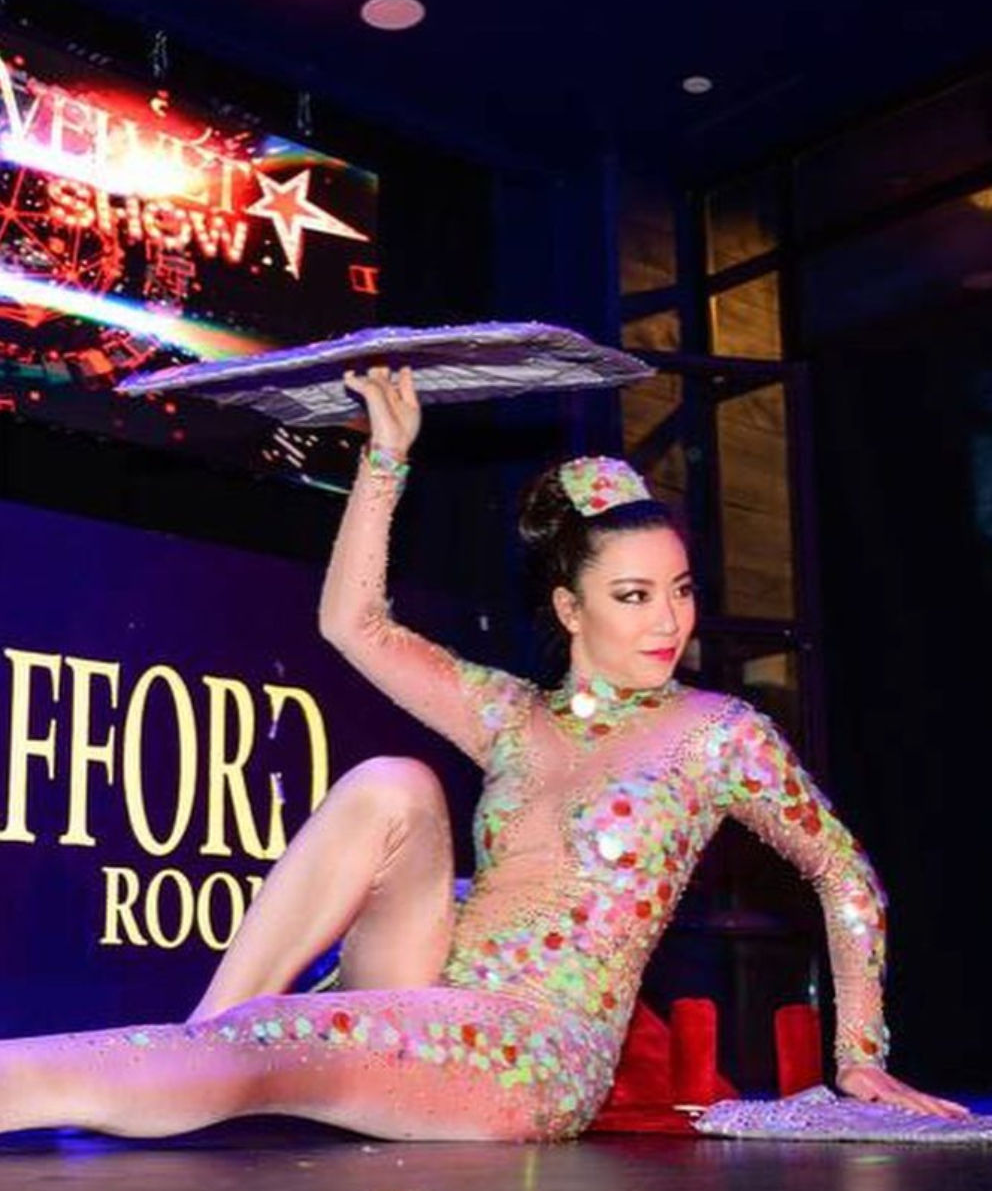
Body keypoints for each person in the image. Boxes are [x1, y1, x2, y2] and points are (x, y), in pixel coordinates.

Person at [0, 367, 970, 1142]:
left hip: (534, 1049)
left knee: (258, 1052)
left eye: (676, 589)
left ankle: (176, 1056)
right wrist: (385, 459)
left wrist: (857, 1052)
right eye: (633, 596)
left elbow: (841, 873)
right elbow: (352, 622)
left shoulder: (714, 733)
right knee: (392, 785)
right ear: (569, 608)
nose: (669, 618)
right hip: (426, 985)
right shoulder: (511, 715)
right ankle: (199, 1035)